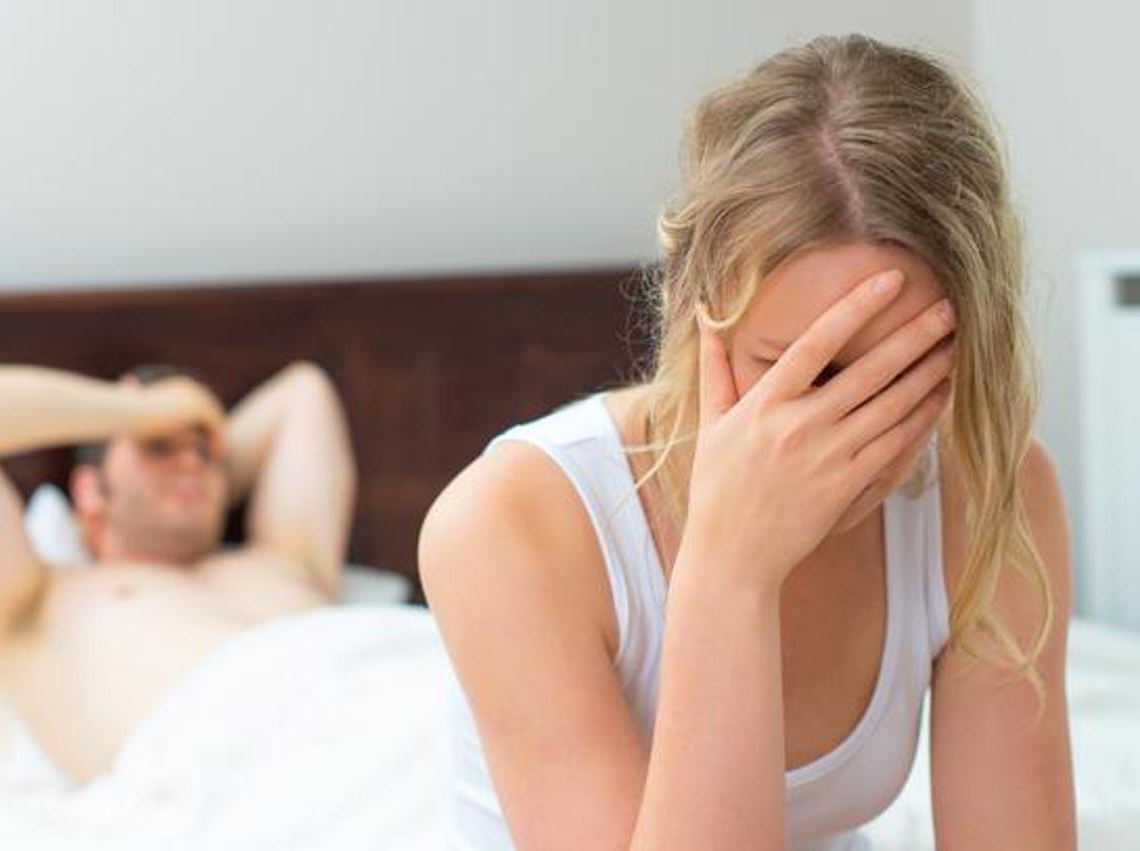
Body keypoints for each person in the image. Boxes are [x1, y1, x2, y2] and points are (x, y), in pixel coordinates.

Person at [420, 34, 1076, 850]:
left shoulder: (986, 489)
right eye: (796, 370)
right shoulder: (506, 523)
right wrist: (731, 571)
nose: (846, 433)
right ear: (695, 308)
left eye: (899, 377)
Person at [0, 360, 356, 782]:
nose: (191, 461)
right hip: (247, 779)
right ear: (90, 492)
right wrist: (147, 410)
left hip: (378, 705)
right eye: (158, 446)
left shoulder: (282, 558)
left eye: (206, 453)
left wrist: (184, 443)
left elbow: (304, 393)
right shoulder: (35, 604)